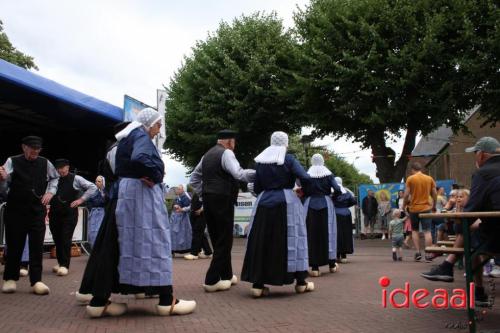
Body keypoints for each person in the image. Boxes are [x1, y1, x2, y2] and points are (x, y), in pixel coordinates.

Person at [85, 108, 196, 317]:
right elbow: (141, 157)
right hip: (141, 195)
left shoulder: (128, 137)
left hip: (128, 194)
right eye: (158, 124)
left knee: (120, 245)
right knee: (156, 242)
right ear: (149, 124)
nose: (159, 129)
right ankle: (166, 300)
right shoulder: (141, 136)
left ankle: (99, 301)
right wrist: (153, 174)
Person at [422, 137, 500, 307]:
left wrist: (460, 224)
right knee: (472, 229)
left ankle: (472, 287)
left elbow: (471, 210)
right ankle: (448, 267)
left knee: (467, 232)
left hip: (497, 234)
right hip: (494, 224)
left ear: (481, 155)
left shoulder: (483, 173)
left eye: (475, 154)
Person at [241, 131, 314, 297]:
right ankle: (301, 282)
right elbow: (305, 177)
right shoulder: (289, 159)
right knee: (294, 239)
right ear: (286, 143)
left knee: (261, 241)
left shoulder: (261, 161)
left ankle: (258, 285)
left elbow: (257, 186)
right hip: (286, 202)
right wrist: (303, 191)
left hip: (264, 203)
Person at [189, 129, 255, 292]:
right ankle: (211, 280)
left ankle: (226, 275)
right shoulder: (227, 153)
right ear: (230, 141)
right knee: (225, 240)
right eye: (234, 142)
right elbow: (238, 174)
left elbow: (193, 179)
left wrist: (205, 195)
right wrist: (259, 173)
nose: (235, 145)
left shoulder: (207, 155)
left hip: (209, 200)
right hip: (223, 199)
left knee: (218, 238)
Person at [1, 136, 58, 295]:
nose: (35, 152)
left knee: (36, 246)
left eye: (38, 149)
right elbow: (4, 184)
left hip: (36, 210)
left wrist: (50, 192)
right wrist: (3, 179)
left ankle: (36, 281)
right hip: (15, 209)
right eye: (32, 149)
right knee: (14, 245)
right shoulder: (12, 161)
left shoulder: (45, 162)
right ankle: (10, 279)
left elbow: (55, 178)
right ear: (24, 147)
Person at [49, 159, 97, 276]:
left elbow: (93, 187)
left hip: (69, 214)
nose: (61, 170)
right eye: (59, 168)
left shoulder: (76, 178)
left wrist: (81, 199)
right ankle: (60, 262)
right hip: (54, 213)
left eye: (64, 167)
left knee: (65, 238)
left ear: (68, 167)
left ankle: (65, 265)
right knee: (57, 238)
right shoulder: (53, 179)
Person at [302, 154, 342, 277]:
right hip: (325, 203)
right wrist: (331, 198)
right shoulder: (329, 175)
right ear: (323, 161)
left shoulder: (307, 175)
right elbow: (338, 189)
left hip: (310, 204)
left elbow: (303, 190)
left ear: (312, 162)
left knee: (311, 234)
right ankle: (331, 264)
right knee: (328, 233)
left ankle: (314, 267)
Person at [402, 162, 437, 262]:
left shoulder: (411, 179)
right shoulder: (429, 178)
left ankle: (418, 253)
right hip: (426, 208)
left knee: (415, 230)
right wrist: (433, 205)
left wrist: (404, 206)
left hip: (414, 209)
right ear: (421, 169)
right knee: (427, 231)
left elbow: (406, 195)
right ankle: (428, 254)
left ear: (412, 169)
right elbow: (434, 193)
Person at [334, 177, 357, 263]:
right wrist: (346, 206)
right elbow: (354, 201)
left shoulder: (333, 192)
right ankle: (344, 256)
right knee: (346, 234)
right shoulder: (346, 192)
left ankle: (337, 255)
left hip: (336, 214)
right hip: (347, 214)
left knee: (337, 234)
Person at [184, 192, 213, 260]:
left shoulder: (205, 190)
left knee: (197, 234)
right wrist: (183, 209)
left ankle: (194, 253)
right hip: (194, 215)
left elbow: (208, 201)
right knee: (201, 234)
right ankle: (208, 252)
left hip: (201, 215)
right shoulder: (196, 192)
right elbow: (191, 205)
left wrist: (201, 209)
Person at [170, 185, 192, 254]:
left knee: (182, 234)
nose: (177, 190)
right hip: (175, 218)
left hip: (182, 218)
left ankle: (184, 249)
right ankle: (173, 249)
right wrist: (174, 206)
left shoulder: (185, 197)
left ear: (183, 190)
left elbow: (188, 207)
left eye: (179, 189)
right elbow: (172, 206)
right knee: (174, 234)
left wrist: (180, 208)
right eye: (177, 189)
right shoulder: (177, 197)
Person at [86, 176, 106, 248]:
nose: (96, 182)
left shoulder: (106, 192)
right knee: (91, 232)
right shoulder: (94, 192)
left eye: (99, 181)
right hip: (94, 213)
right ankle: (94, 249)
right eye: (96, 181)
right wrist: (91, 209)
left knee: (100, 231)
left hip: (103, 213)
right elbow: (88, 201)